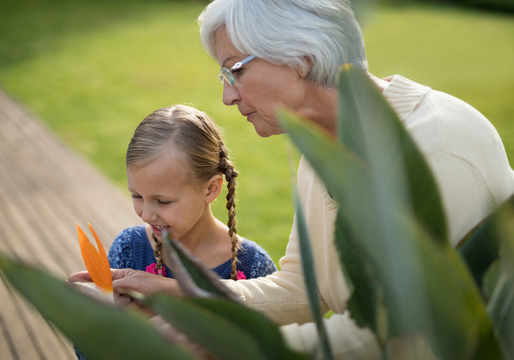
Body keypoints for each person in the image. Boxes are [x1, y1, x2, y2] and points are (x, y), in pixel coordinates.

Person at [71, 1, 514, 358]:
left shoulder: (435, 147)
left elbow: (403, 334)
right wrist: (184, 291)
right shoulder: (321, 147)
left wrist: (228, 342)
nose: (226, 96)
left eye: (235, 70)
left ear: (300, 57)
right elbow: (301, 291)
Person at [73, 104, 276, 359]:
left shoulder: (253, 266)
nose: (146, 214)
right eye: (137, 196)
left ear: (211, 189)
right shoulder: (129, 249)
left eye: (163, 201)